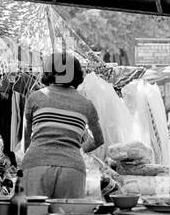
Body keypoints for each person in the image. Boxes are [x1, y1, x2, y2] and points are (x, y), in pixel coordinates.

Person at [19, 53, 107, 198]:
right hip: (72, 169)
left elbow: (26, 142)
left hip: (36, 163)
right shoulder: (86, 104)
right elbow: (98, 140)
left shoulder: (35, 98)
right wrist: (76, 150)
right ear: (78, 75)